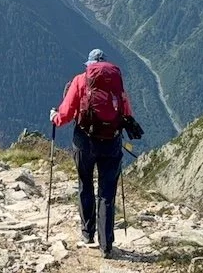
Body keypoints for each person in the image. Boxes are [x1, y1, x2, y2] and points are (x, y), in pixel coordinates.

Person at [50, 48, 138, 258]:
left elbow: (66, 113)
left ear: (89, 65)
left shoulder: (80, 81)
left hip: (85, 141)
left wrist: (54, 117)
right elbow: (127, 113)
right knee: (107, 193)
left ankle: (87, 234)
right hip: (111, 142)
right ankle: (106, 245)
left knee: (85, 185)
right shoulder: (116, 84)